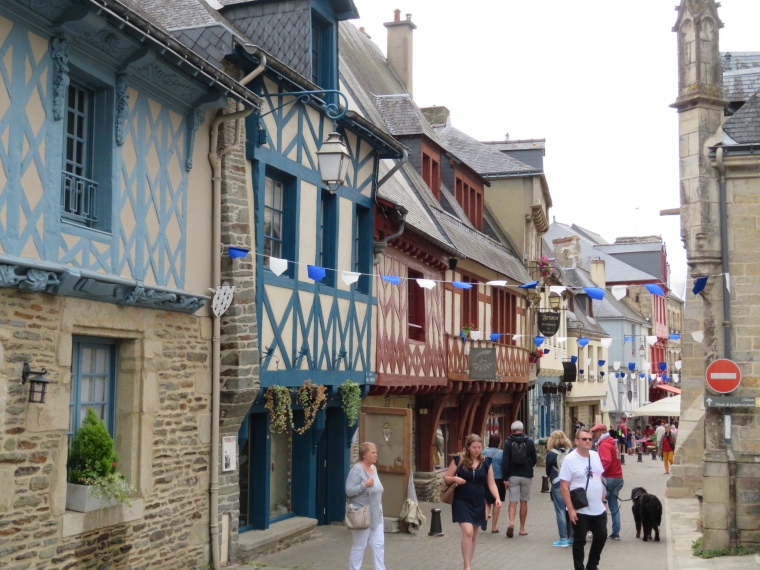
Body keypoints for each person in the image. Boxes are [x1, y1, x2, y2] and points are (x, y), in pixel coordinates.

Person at [444, 434, 502, 570]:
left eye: (479, 447)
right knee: (468, 532)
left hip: (478, 501)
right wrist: (455, 479)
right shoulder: (458, 460)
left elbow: (492, 483)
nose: (477, 450)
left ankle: (467, 564)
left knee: (474, 535)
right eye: (474, 447)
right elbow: (446, 478)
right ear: (468, 447)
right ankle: (467, 567)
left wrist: (497, 498)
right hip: (461, 501)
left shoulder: (486, 462)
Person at [561, 428, 607, 570]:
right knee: (579, 541)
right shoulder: (569, 460)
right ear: (576, 441)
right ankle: (579, 567)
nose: (588, 441)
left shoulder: (594, 455)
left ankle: (592, 565)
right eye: (584, 439)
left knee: (601, 536)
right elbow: (564, 486)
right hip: (580, 509)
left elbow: (599, 479)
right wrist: (570, 509)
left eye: (590, 439)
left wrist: (604, 501)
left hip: (598, 508)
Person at [346, 442, 385, 570]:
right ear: (364, 455)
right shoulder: (357, 470)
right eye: (372, 453)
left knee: (378, 545)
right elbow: (349, 491)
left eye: (376, 452)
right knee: (359, 546)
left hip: (376, 514)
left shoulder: (374, 468)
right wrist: (365, 484)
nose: (376, 455)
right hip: (362, 514)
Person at [501, 420, 537, 538]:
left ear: (512, 430)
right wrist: (528, 466)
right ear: (523, 429)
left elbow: (505, 461)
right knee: (524, 501)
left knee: (513, 501)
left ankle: (511, 523)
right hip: (526, 475)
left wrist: (505, 478)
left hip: (513, 475)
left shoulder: (508, 442)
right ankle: (522, 528)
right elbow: (535, 459)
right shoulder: (530, 441)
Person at [592, 425, 624, 541]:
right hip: (618, 477)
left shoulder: (604, 444)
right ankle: (616, 532)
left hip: (608, 478)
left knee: (600, 505)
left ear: (601, 432)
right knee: (613, 505)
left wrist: (597, 473)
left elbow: (606, 460)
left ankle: (598, 530)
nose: (593, 434)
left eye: (595, 432)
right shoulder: (612, 442)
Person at [546, 430, 573, 547]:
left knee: (560, 510)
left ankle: (563, 538)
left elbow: (548, 471)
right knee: (571, 509)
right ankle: (573, 537)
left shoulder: (551, 454)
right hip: (571, 483)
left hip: (557, 482)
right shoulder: (571, 452)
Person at [483, 433, 505, 533]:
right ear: (499, 442)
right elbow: (505, 467)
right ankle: (494, 527)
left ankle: (485, 519)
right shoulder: (502, 453)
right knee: (497, 502)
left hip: (486, 479)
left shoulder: (483, 452)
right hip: (498, 479)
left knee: (487, 502)